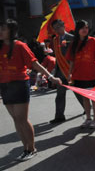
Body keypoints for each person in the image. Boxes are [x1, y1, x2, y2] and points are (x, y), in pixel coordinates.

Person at [0, 19, 62, 161]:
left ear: (11, 31)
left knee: (22, 119)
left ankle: (32, 148)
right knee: (16, 119)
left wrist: (51, 77)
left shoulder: (20, 46)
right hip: (5, 86)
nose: (0, 31)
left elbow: (35, 64)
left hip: (19, 85)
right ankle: (25, 148)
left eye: (3, 29)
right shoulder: (1, 47)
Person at [66, 20, 95, 128]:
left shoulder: (93, 41)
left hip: (92, 74)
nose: (85, 30)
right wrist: (69, 74)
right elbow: (71, 61)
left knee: (94, 98)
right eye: (82, 28)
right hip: (78, 75)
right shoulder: (74, 43)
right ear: (77, 30)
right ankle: (88, 118)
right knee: (85, 98)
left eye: (86, 27)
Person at [50, 19, 85, 124]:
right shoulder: (55, 40)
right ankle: (59, 116)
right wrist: (55, 72)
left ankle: (87, 108)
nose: (57, 29)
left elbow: (77, 55)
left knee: (77, 92)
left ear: (63, 25)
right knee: (60, 94)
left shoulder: (72, 38)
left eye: (59, 26)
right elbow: (57, 56)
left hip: (72, 70)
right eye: (55, 28)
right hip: (61, 71)